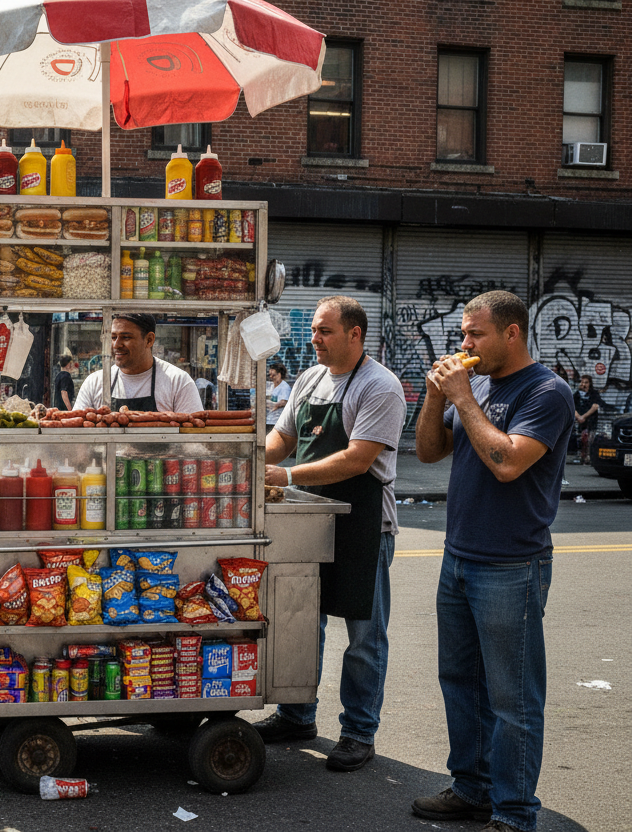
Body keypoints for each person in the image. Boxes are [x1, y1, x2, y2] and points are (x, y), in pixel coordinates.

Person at [413, 291, 573, 832]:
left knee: (512, 699)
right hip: (458, 557)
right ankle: (472, 788)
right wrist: (437, 397)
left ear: (512, 333)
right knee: (459, 680)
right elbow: (429, 451)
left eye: (475, 335)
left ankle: (514, 811)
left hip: (511, 565)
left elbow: (507, 462)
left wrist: (462, 399)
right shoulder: (473, 385)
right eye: (462, 334)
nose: (464, 345)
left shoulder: (547, 392)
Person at [253, 296, 406, 774]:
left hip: (363, 523)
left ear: (354, 334)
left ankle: (359, 731)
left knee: (364, 634)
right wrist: (254, 456)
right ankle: (297, 714)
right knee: (301, 620)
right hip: (309, 519)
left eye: (324, 331)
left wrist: (288, 477)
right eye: (315, 331)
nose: (313, 339)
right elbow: (285, 438)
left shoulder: (381, 387)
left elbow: (358, 458)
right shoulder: (310, 379)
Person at [72, 313, 202, 414]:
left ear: (149, 340)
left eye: (126, 337)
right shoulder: (95, 382)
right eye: (113, 337)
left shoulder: (178, 381)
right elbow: (78, 439)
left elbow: (193, 440)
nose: (116, 345)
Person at [571, 374, 606, 463]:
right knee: (580, 439)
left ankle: (589, 457)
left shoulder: (594, 394)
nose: (583, 384)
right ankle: (580, 456)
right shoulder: (577, 394)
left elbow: (595, 406)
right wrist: (578, 417)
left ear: (590, 384)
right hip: (580, 422)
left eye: (586, 382)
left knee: (590, 441)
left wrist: (584, 417)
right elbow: (572, 406)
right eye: (582, 382)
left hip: (591, 422)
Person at [266, 362, 292, 426]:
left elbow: (283, 402)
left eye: (273, 375)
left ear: (279, 375)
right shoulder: (270, 385)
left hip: (277, 422)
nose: (271, 377)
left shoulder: (285, 387)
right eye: (270, 375)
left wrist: (267, 404)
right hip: (268, 420)